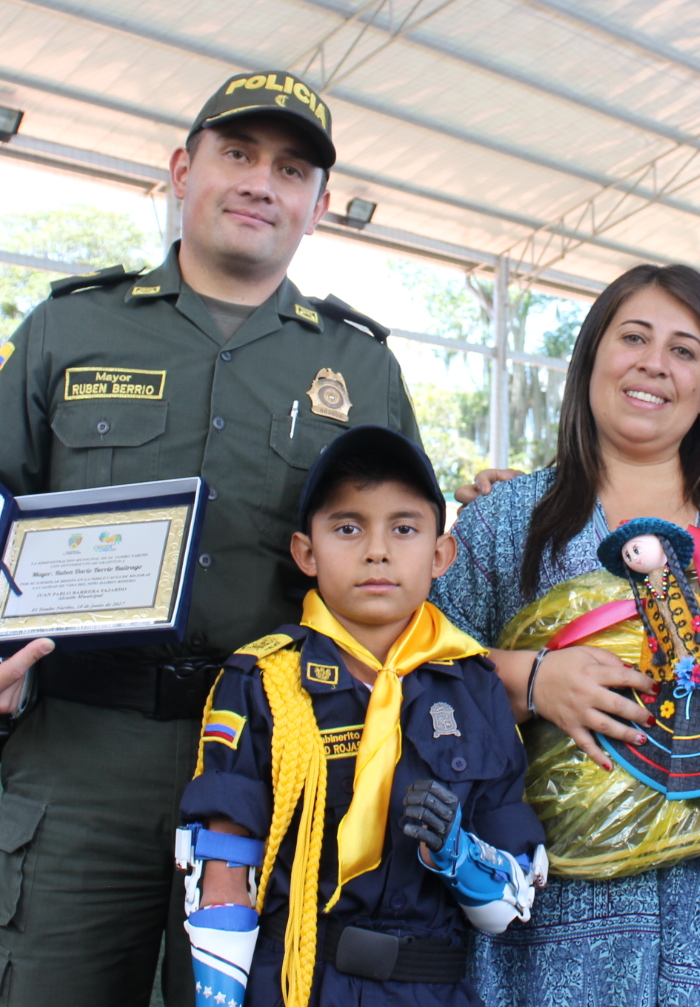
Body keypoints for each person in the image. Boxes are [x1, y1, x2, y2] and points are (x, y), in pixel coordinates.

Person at [0, 70, 422, 1007]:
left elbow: (405, 566)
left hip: (274, 774)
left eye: (292, 168)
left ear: (319, 205)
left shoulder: (360, 368)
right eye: (238, 154)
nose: (263, 182)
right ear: (183, 171)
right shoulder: (69, 328)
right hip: (80, 761)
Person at [432, 263, 700, 1007]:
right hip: (562, 917)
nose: (654, 364)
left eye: (685, 350)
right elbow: (416, 679)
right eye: (633, 337)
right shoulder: (506, 522)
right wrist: (531, 681)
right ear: (592, 356)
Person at [179, 425, 544, 1007]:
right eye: (348, 528)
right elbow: (224, 867)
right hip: (298, 982)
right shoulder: (261, 680)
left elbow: (505, 910)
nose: (377, 550)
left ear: (441, 554)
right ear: (306, 551)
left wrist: (459, 855)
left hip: (433, 988)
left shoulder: (477, 688)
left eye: (404, 529)